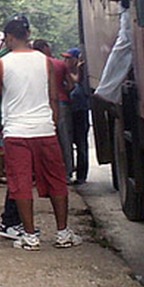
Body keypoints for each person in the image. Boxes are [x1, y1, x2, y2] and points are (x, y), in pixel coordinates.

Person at [0, 15, 81, 250]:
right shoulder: (45, 61)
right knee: (56, 180)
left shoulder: (2, 64)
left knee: (20, 182)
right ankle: (63, 232)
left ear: (9, 37)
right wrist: (51, 122)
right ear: (28, 35)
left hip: (16, 132)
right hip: (44, 129)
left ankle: (30, 235)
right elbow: (53, 97)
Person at [94, 0, 132, 106]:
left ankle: (107, 91)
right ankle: (106, 91)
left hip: (127, 6)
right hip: (128, 6)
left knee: (125, 45)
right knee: (125, 45)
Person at [32, 39, 74, 181]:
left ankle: (46, 172)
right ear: (45, 48)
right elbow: (71, 85)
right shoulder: (60, 64)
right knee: (65, 139)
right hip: (61, 103)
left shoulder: (34, 66)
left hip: (40, 104)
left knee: (44, 140)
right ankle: (67, 172)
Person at [63, 47, 90, 184]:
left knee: (81, 143)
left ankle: (81, 175)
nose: (65, 61)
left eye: (68, 58)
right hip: (70, 111)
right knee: (69, 141)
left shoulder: (82, 75)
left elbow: (76, 81)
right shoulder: (67, 74)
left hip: (79, 111)